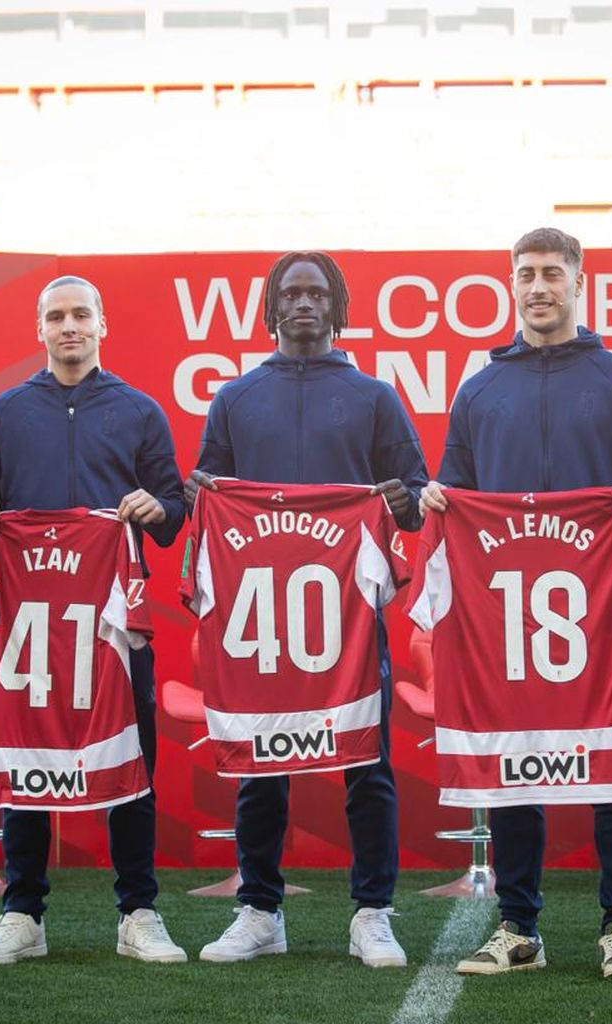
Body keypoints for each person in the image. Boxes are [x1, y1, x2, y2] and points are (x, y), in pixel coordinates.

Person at [420, 227, 612, 978]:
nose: (538, 287)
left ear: (579, 280)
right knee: (514, 766)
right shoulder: (480, 389)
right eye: (525, 274)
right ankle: (518, 928)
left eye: (551, 274)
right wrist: (438, 498)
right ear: (512, 285)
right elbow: (451, 493)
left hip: (596, 611)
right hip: (506, 615)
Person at [186, 251, 428, 967]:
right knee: (261, 765)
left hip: (349, 620)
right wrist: (205, 491)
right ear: (270, 308)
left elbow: (414, 495)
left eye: (315, 293)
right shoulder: (234, 398)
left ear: (336, 307)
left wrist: (395, 499)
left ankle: (373, 912)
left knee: (369, 764)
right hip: (259, 619)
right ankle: (260, 909)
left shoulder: (374, 397)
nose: (302, 304)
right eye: (289, 293)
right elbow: (208, 493)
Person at [0, 275, 188, 965]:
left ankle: (138, 911)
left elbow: (174, 511)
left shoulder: (139, 411)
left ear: (102, 322)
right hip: (33, 628)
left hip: (114, 624)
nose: (69, 327)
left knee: (132, 761)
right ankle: (22, 912)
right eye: (56, 317)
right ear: (40, 329)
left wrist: (156, 509)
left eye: (81, 314)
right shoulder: (7, 411)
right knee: (27, 756)